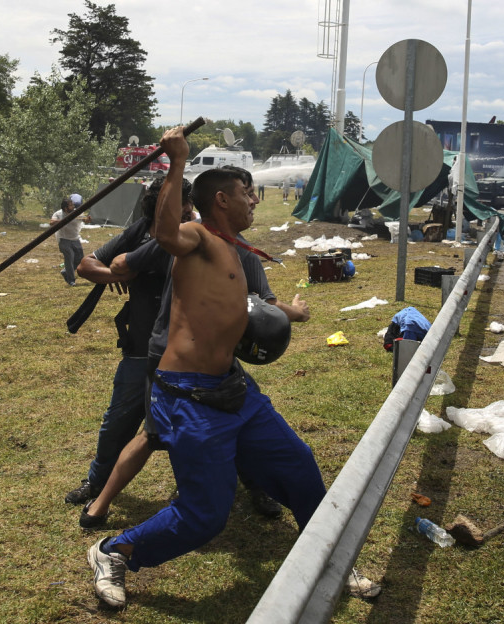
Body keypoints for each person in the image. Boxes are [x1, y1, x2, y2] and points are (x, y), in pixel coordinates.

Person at [86, 127, 351, 608]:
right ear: (223, 200)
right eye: (248, 194)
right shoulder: (198, 238)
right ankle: (114, 550)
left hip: (231, 386)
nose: (255, 200)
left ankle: (329, 555)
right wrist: (179, 163)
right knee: (205, 515)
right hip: (188, 395)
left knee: (297, 464)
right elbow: (165, 232)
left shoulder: (236, 249)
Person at [78, 166, 288, 528]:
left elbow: (262, 302)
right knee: (132, 427)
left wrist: (286, 312)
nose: (252, 201)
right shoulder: (161, 239)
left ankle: (255, 487)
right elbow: (106, 262)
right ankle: (97, 488)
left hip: (209, 357)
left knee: (222, 424)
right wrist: (119, 275)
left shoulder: (231, 248)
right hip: (153, 351)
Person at [63, 178, 190, 508]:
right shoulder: (141, 231)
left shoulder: (196, 234)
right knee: (117, 422)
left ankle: (236, 486)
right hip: (140, 347)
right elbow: (86, 264)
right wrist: (116, 275)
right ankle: (96, 481)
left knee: (202, 423)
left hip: (189, 351)